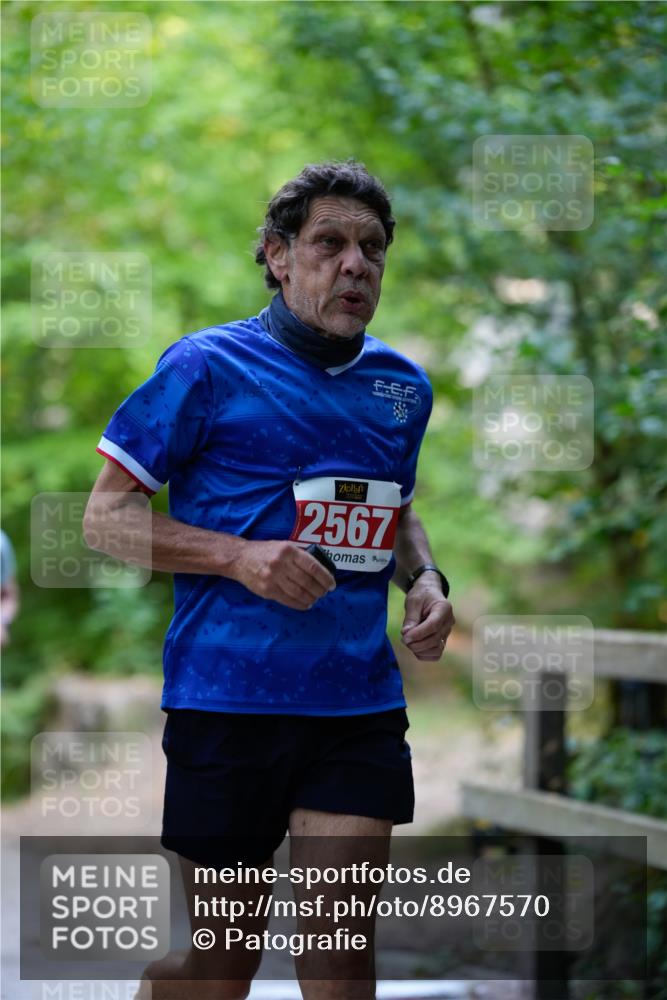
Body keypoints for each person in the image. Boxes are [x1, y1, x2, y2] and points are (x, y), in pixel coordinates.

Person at [84, 160, 455, 1000]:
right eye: (329, 243)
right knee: (219, 971)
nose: (354, 264)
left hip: (354, 708)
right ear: (277, 256)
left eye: (371, 248)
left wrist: (425, 579)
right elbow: (103, 519)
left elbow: (395, 510)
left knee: (337, 958)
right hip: (226, 702)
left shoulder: (402, 387)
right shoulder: (205, 367)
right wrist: (237, 556)